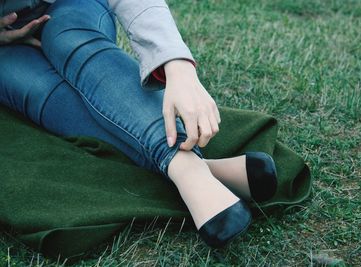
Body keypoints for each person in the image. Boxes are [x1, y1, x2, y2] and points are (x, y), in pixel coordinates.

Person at [0, 0, 278, 248]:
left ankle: (182, 166)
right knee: (39, 89)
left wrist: (177, 65)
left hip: (70, 6)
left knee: (69, 39)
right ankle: (199, 169)